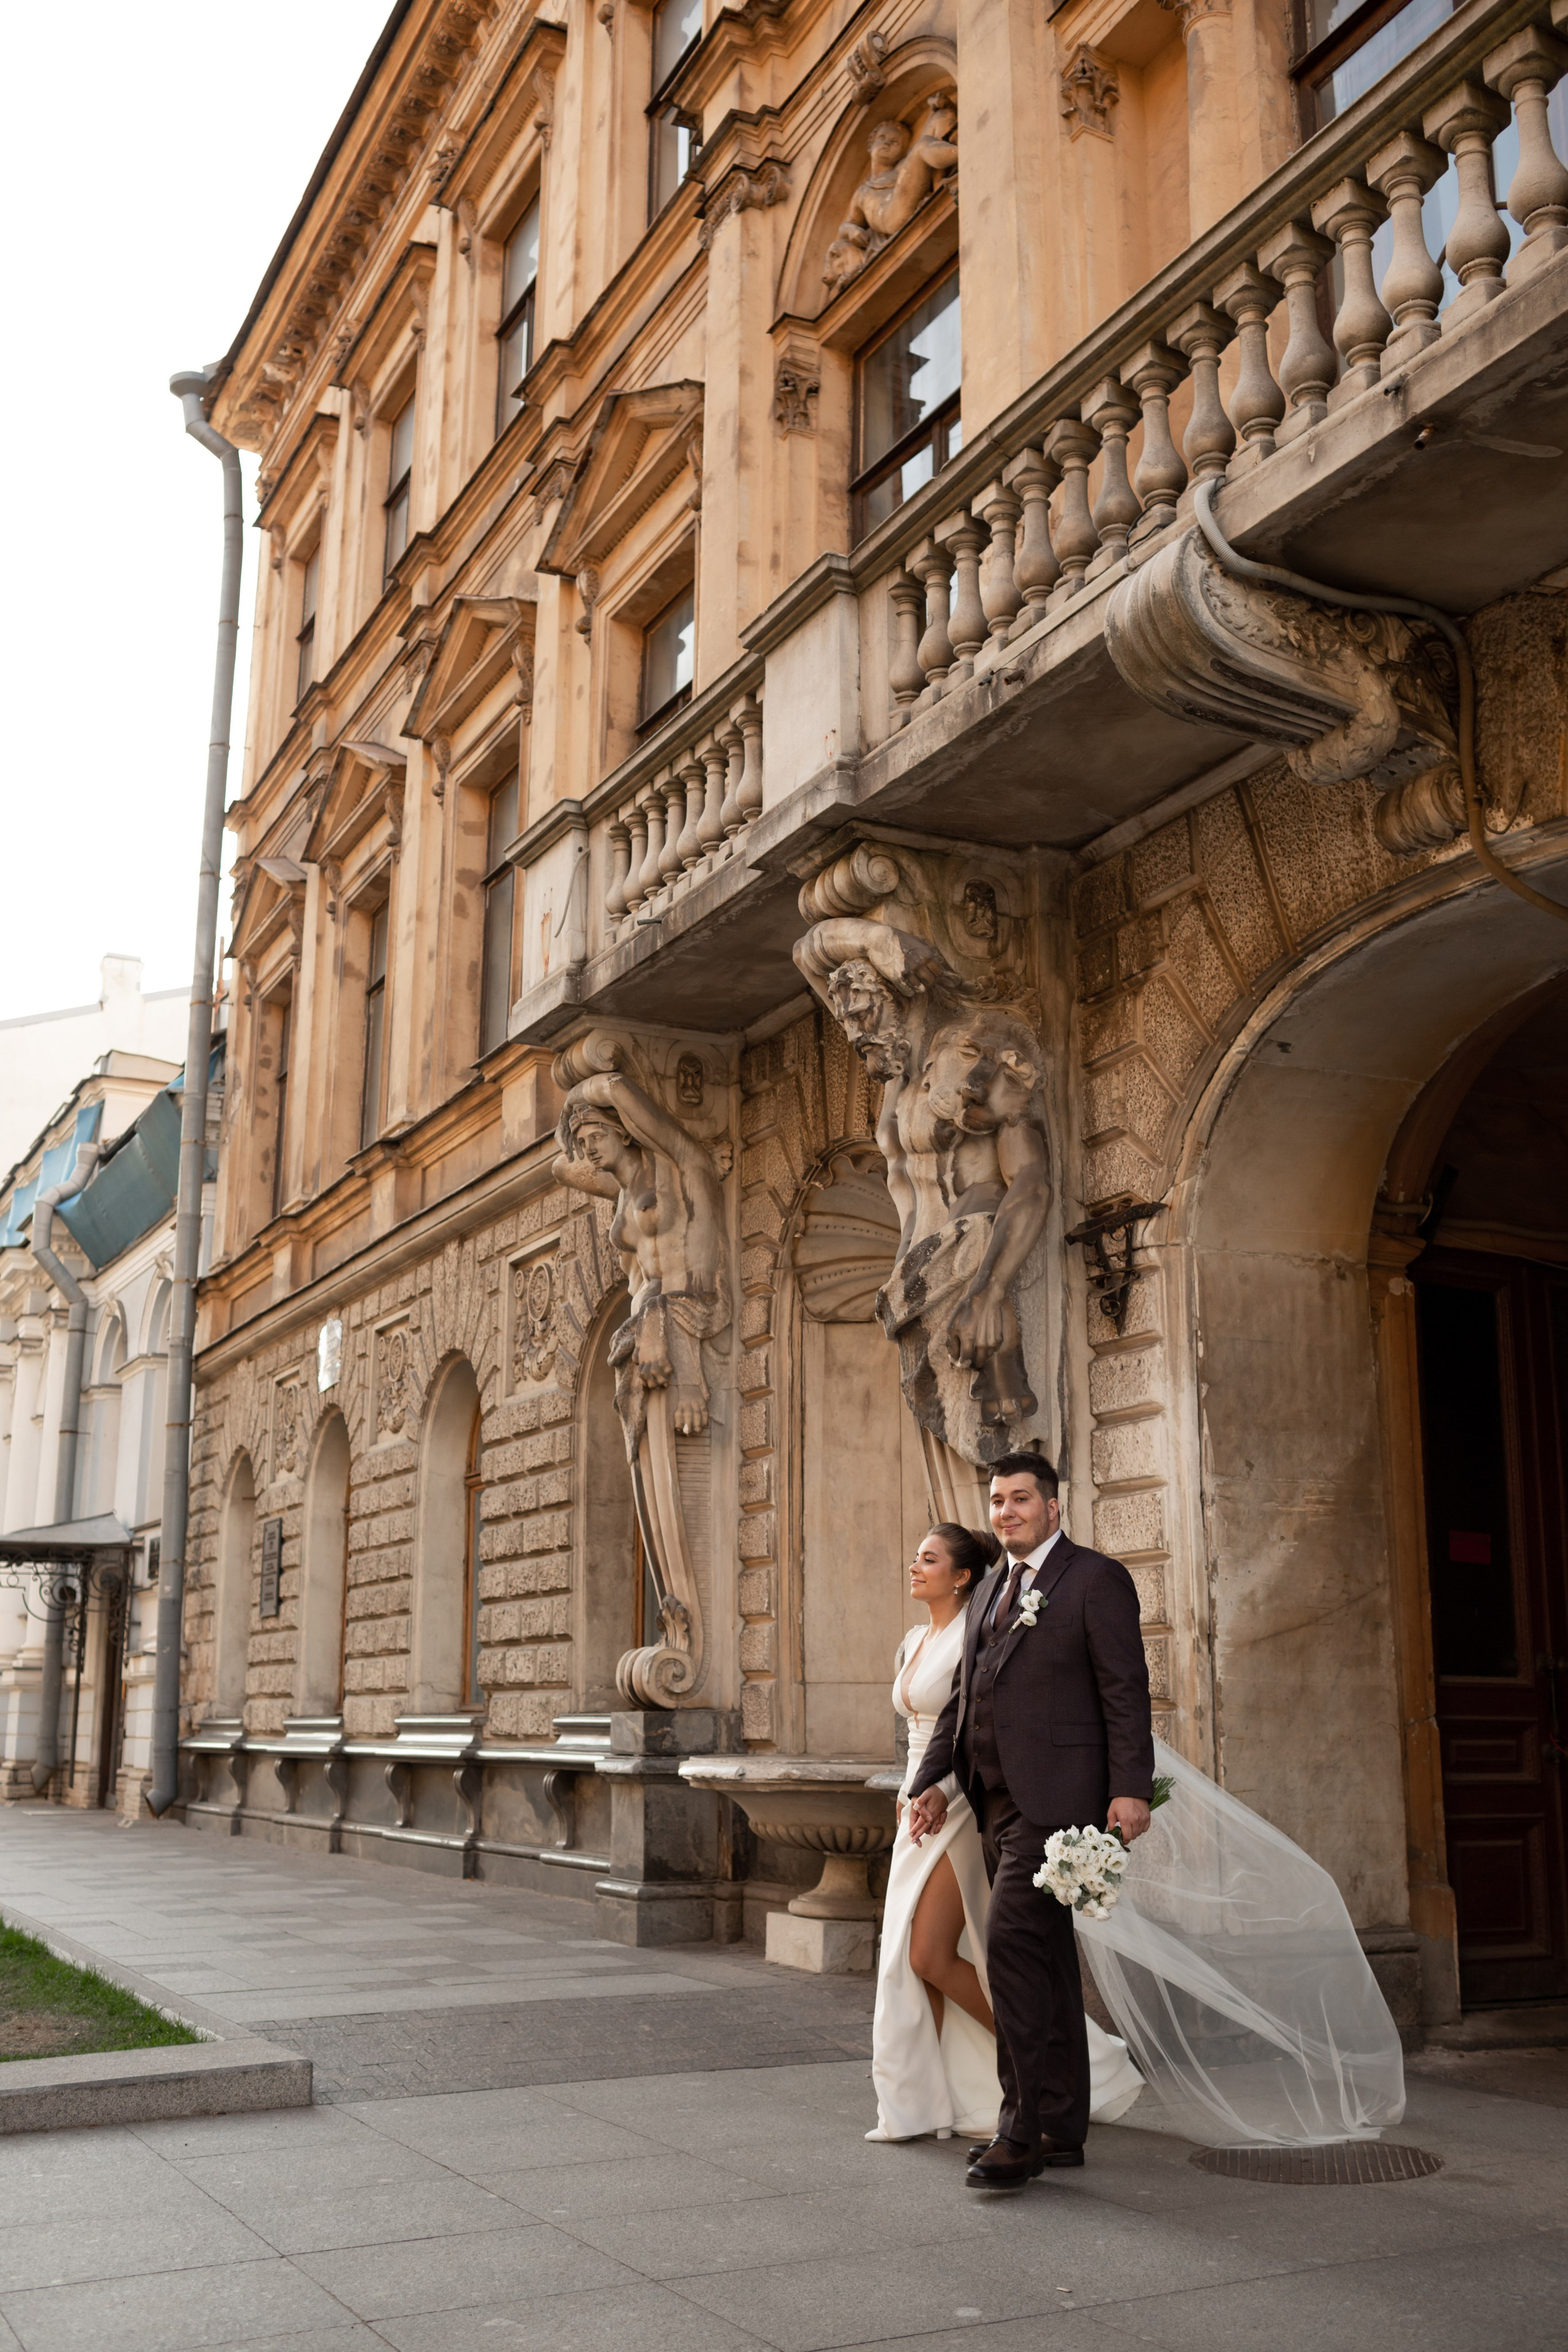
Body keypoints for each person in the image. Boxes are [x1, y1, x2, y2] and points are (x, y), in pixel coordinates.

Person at [905, 1452, 1155, 2188]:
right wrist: (931, 1782)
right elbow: (964, 1695)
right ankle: (1061, 2123)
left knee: (1010, 1946)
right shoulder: (989, 1588)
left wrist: (1130, 1787)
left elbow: (1124, 1688)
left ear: (1052, 1507)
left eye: (1020, 1499)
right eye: (997, 1501)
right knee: (1043, 1958)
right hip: (994, 1801)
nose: (1006, 1511)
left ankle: (1019, 2131)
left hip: (1060, 1802)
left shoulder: (1095, 1578)